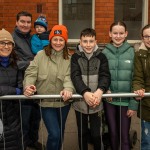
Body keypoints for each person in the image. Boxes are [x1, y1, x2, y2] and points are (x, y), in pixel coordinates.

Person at [23, 25, 74, 150]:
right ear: (50, 40)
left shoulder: (69, 58)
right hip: (46, 103)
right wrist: (28, 85)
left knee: (60, 133)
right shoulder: (40, 55)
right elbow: (31, 73)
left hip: (63, 103)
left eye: (61, 39)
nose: (58, 42)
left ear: (65, 41)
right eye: (55, 39)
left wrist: (68, 89)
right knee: (54, 134)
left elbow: (70, 76)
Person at [71, 28, 111, 150]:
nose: (88, 44)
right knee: (82, 133)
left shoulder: (102, 57)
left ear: (95, 42)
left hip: (96, 102)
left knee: (96, 134)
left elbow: (105, 76)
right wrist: (85, 92)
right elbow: (75, 76)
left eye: (91, 41)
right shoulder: (75, 57)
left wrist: (100, 91)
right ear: (80, 42)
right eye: (85, 41)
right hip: (80, 103)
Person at [102, 21, 139, 150]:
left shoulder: (133, 53)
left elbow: (136, 78)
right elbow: (101, 75)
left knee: (124, 137)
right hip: (110, 101)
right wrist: (105, 90)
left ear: (126, 34)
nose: (118, 36)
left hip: (125, 102)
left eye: (121, 33)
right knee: (112, 134)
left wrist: (133, 104)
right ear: (110, 34)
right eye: (115, 33)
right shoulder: (104, 53)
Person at [12, 11, 42, 150]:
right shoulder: (12, 40)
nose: (25, 24)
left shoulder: (33, 38)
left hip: (36, 83)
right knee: (23, 119)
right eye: (22, 22)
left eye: (28, 22)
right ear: (17, 22)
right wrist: (30, 63)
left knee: (35, 118)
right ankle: (22, 144)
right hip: (21, 83)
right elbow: (13, 62)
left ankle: (33, 141)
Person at [0, 28, 23, 150]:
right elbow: (17, 90)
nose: (6, 46)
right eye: (2, 43)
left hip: (13, 117)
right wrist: (15, 91)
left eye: (9, 43)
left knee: (13, 144)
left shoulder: (16, 64)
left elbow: (21, 87)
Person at [132, 24, 150, 150]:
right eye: (146, 36)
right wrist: (138, 88)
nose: (149, 39)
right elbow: (138, 77)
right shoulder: (139, 55)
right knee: (147, 141)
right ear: (142, 38)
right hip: (147, 105)